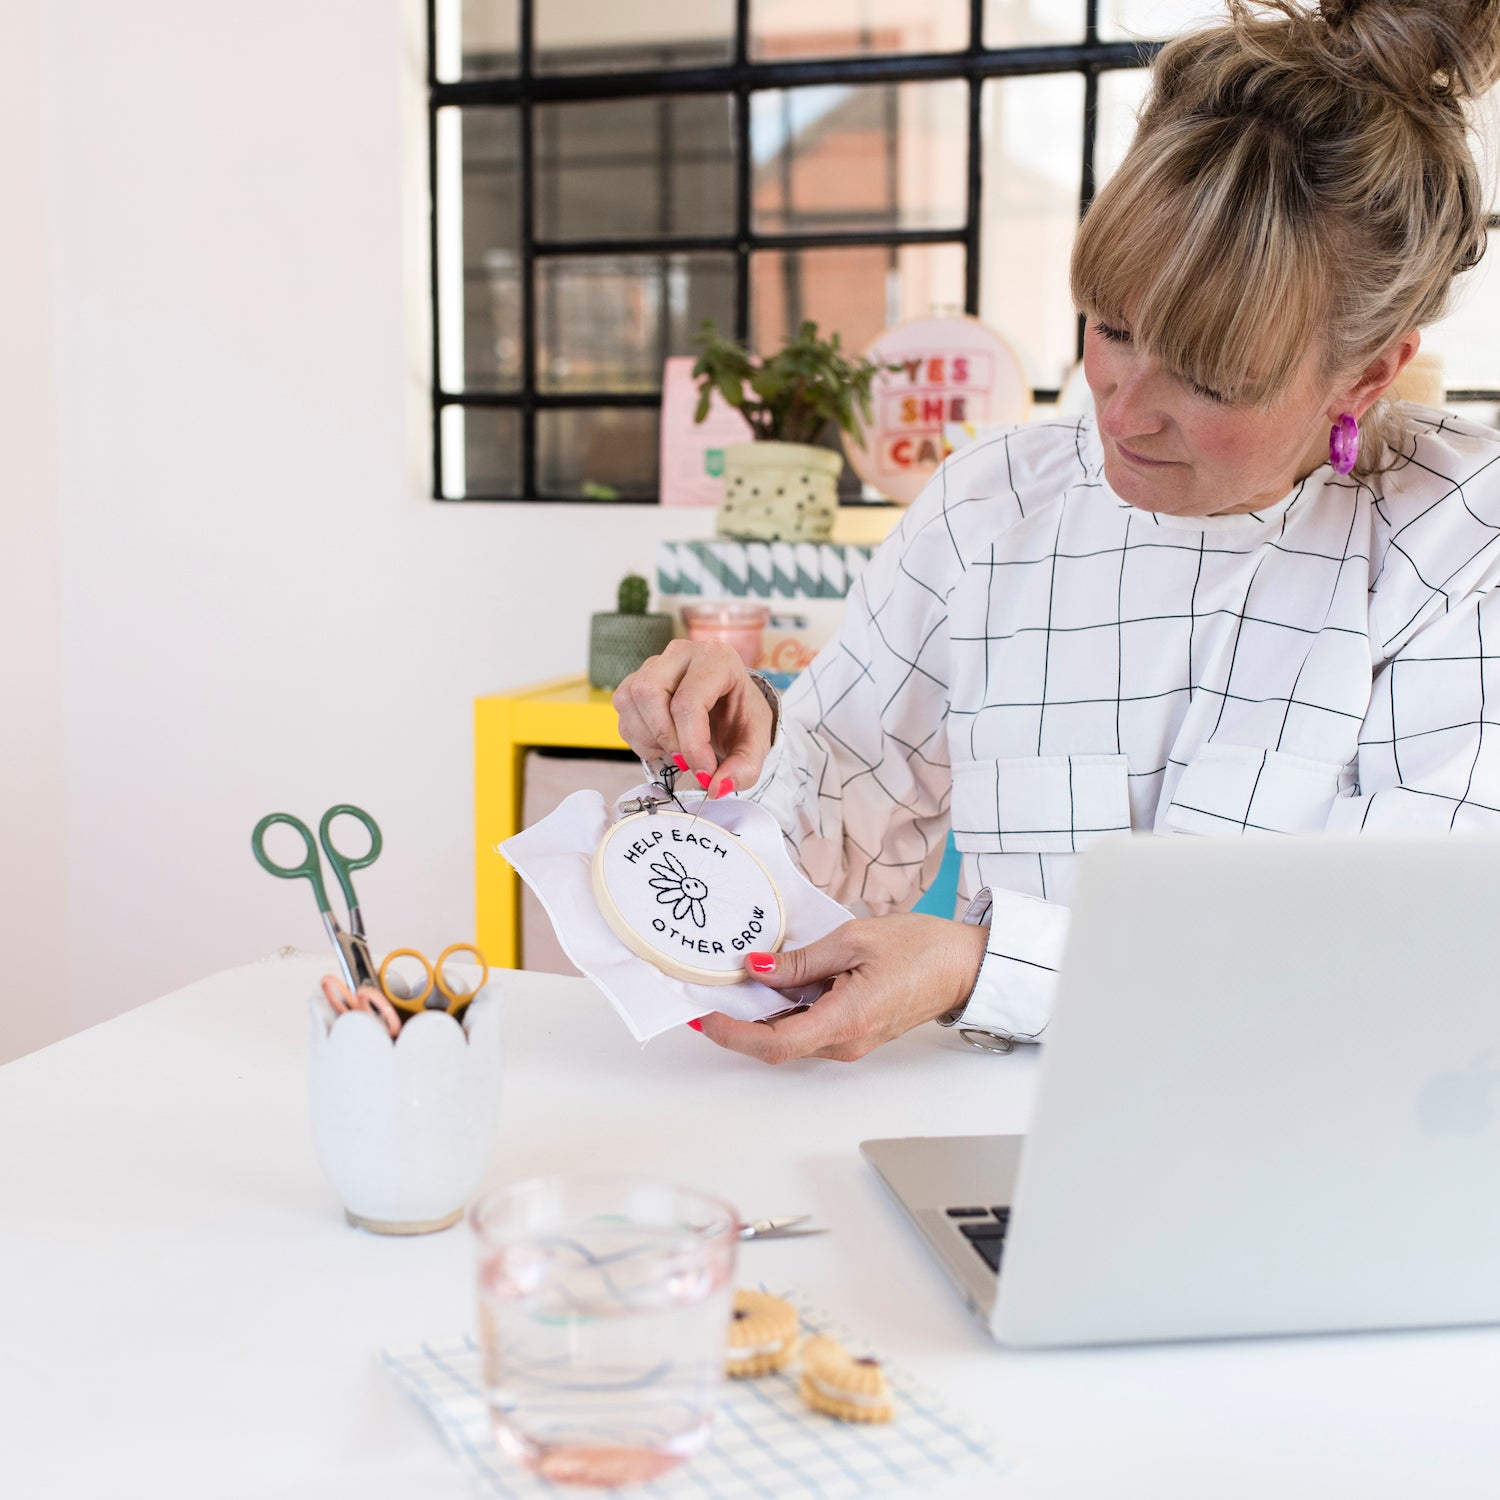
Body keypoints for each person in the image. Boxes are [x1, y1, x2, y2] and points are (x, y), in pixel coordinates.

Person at [614, 0, 1500, 1063]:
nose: (1123, 412)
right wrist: (740, 756)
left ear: (1369, 373)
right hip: (982, 1150)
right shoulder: (992, 506)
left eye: (1211, 379)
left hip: (1312, 1156)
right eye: (1112, 328)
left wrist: (986, 970)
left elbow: (1401, 962)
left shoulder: (1459, 541)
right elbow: (825, 855)